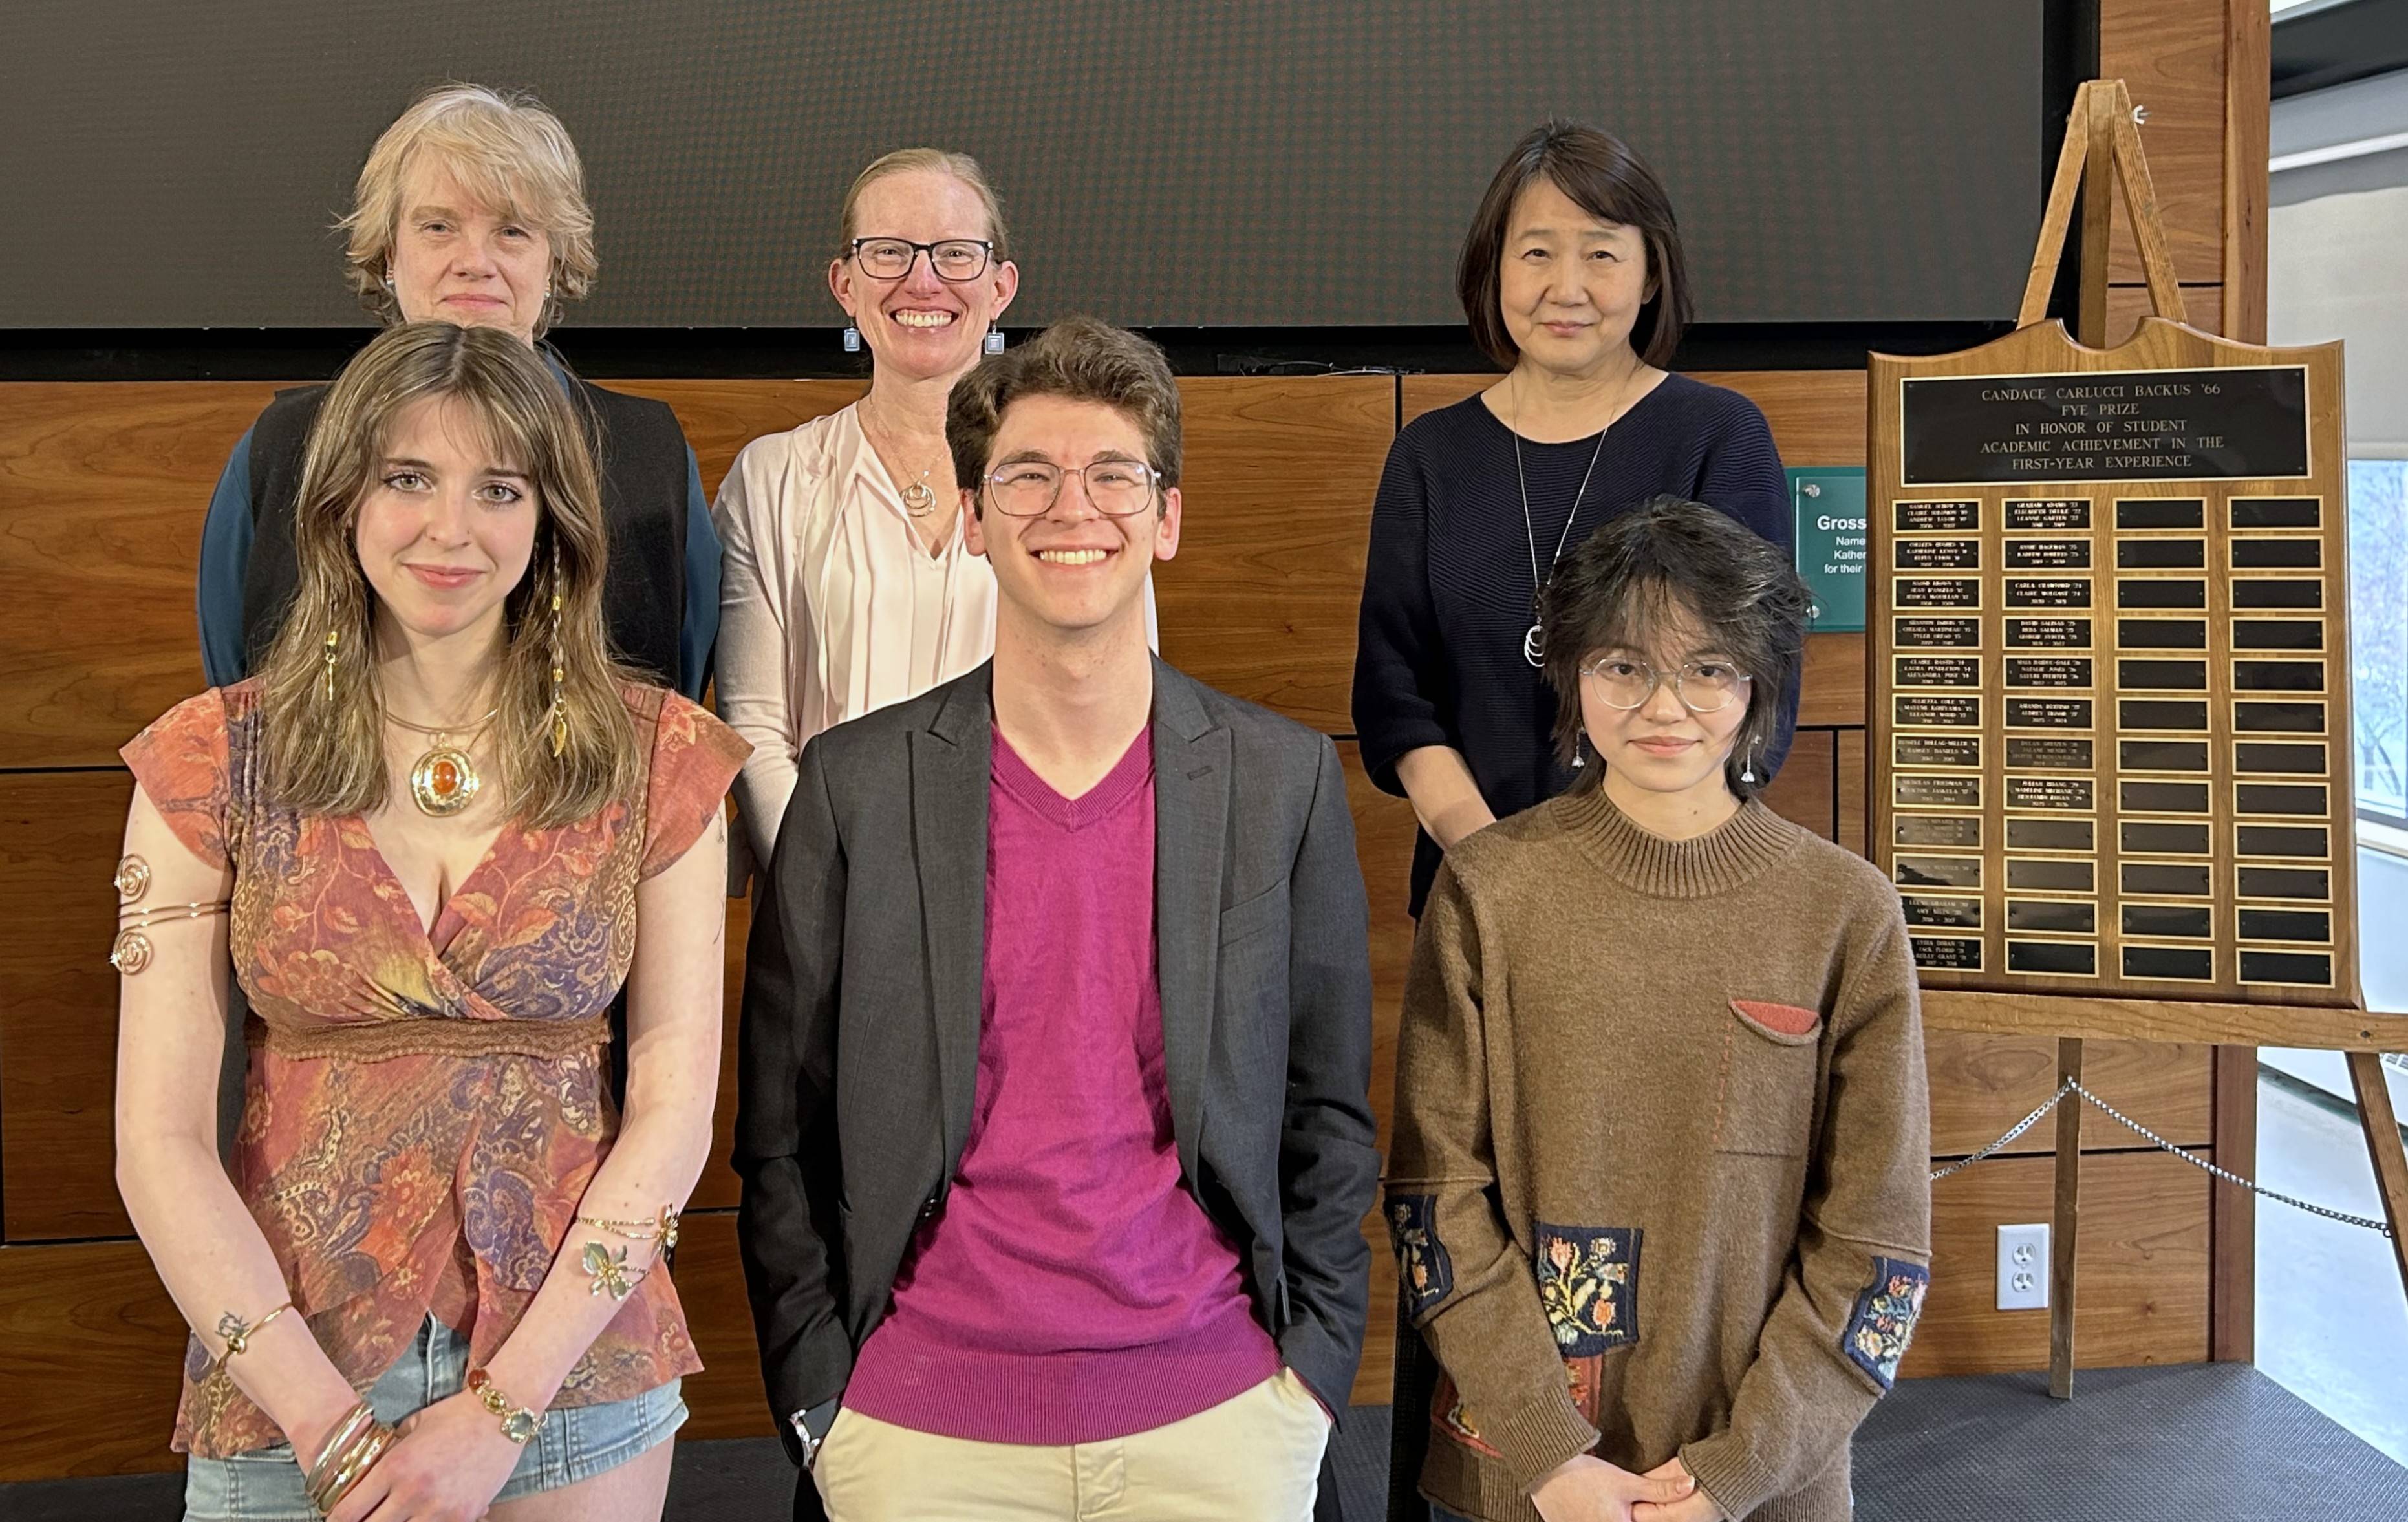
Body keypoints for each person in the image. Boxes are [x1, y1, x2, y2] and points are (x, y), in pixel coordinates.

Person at [735, 317, 1379, 1522]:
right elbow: (780, 1129)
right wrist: (826, 1400)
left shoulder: (1277, 780)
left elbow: (1327, 1112)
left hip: (1221, 1417)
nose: (1067, 506)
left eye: (1110, 475)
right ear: (974, 517)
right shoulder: (854, 787)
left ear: (1165, 516)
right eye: (1025, 474)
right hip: (916, 1427)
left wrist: (1310, 1379)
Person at [114, 321, 748, 1522]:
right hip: (287, 1379)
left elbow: (671, 1117)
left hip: (572, 1381)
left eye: (497, 488)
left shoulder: (661, 756)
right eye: (409, 478)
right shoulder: (209, 758)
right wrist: (328, 1427)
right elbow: (157, 1141)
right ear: (344, 500)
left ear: (549, 518)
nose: (451, 528)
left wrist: (501, 1408)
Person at [1384, 498, 1928, 1522]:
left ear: (1759, 682)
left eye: (1709, 668)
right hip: (1527, 1475)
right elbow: (1434, 1195)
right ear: (1573, 676)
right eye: (1624, 666)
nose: (1665, 704)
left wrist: (1741, 1468)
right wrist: (1547, 1450)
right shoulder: (1490, 890)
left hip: (1770, 1479)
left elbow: (1878, 1240)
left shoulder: (1844, 909)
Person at [1353, 120, 1796, 918]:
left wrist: (1617, 873)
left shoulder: (1718, 435)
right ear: (1493, 270)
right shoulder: (1429, 455)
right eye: (1536, 252)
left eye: (1600, 252)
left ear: (1650, 272)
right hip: (1478, 889)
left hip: (1672, 888)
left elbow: (1752, 682)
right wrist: (1488, 861)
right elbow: (1394, 694)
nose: (1568, 286)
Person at [196, 82, 720, 703]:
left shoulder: (651, 453)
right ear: (390, 253)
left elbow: (674, 697)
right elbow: (238, 696)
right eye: (439, 226)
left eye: (512, 232)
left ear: (554, 263)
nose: (475, 261)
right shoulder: (280, 448)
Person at [711, 148, 1157, 873]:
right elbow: (755, 731)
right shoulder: (775, 478)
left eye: (955, 253)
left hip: (1026, 893)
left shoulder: (1076, 486)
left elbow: (1122, 709)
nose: (923, 280)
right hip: (826, 908)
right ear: (844, 284)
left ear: (1000, 286)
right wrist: (831, 894)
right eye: (888, 252)